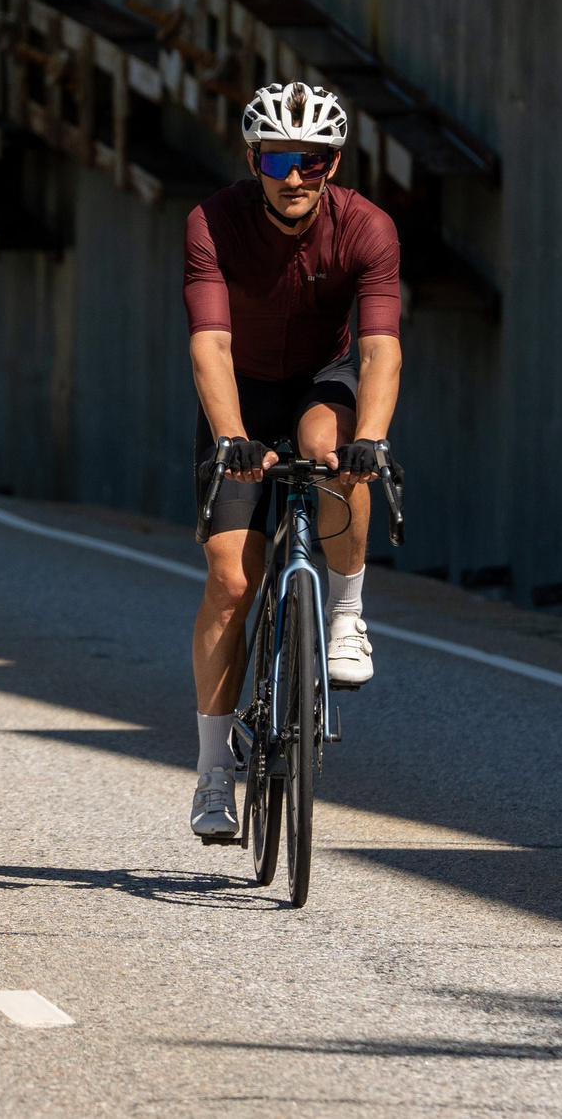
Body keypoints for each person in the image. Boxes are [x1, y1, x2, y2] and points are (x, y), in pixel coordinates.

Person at [185, 81, 402, 843]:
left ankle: (346, 614)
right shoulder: (213, 220)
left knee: (333, 451)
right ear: (254, 161)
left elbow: (380, 349)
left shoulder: (367, 227)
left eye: (313, 160)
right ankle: (214, 769)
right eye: (279, 159)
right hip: (239, 394)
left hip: (321, 383)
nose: (296, 176)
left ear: (333, 164)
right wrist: (231, 436)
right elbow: (210, 344)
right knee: (230, 582)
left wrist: (372, 436)